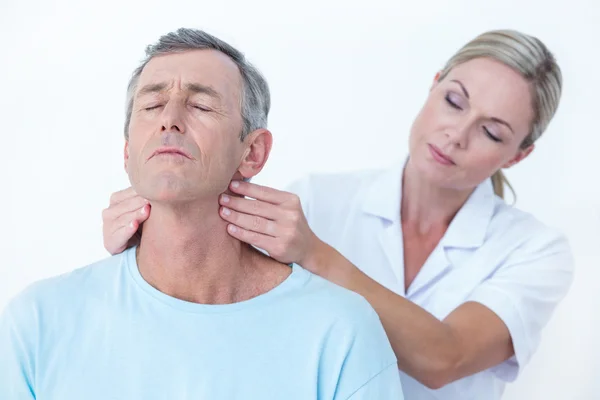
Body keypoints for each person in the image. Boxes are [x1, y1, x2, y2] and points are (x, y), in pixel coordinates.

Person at [103, 29, 575, 399]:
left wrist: (314, 253)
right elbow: (207, 280)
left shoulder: (534, 251)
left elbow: (443, 359)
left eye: (491, 132)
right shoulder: (318, 197)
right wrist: (144, 227)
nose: (457, 134)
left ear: (518, 155)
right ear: (433, 87)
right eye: (454, 101)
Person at [0, 28, 405, 400]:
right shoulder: (39, 321)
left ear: (252, 152)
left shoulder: (339, 332)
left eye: (201, 106)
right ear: (128, 152)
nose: (169, 121)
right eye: (153, 104)